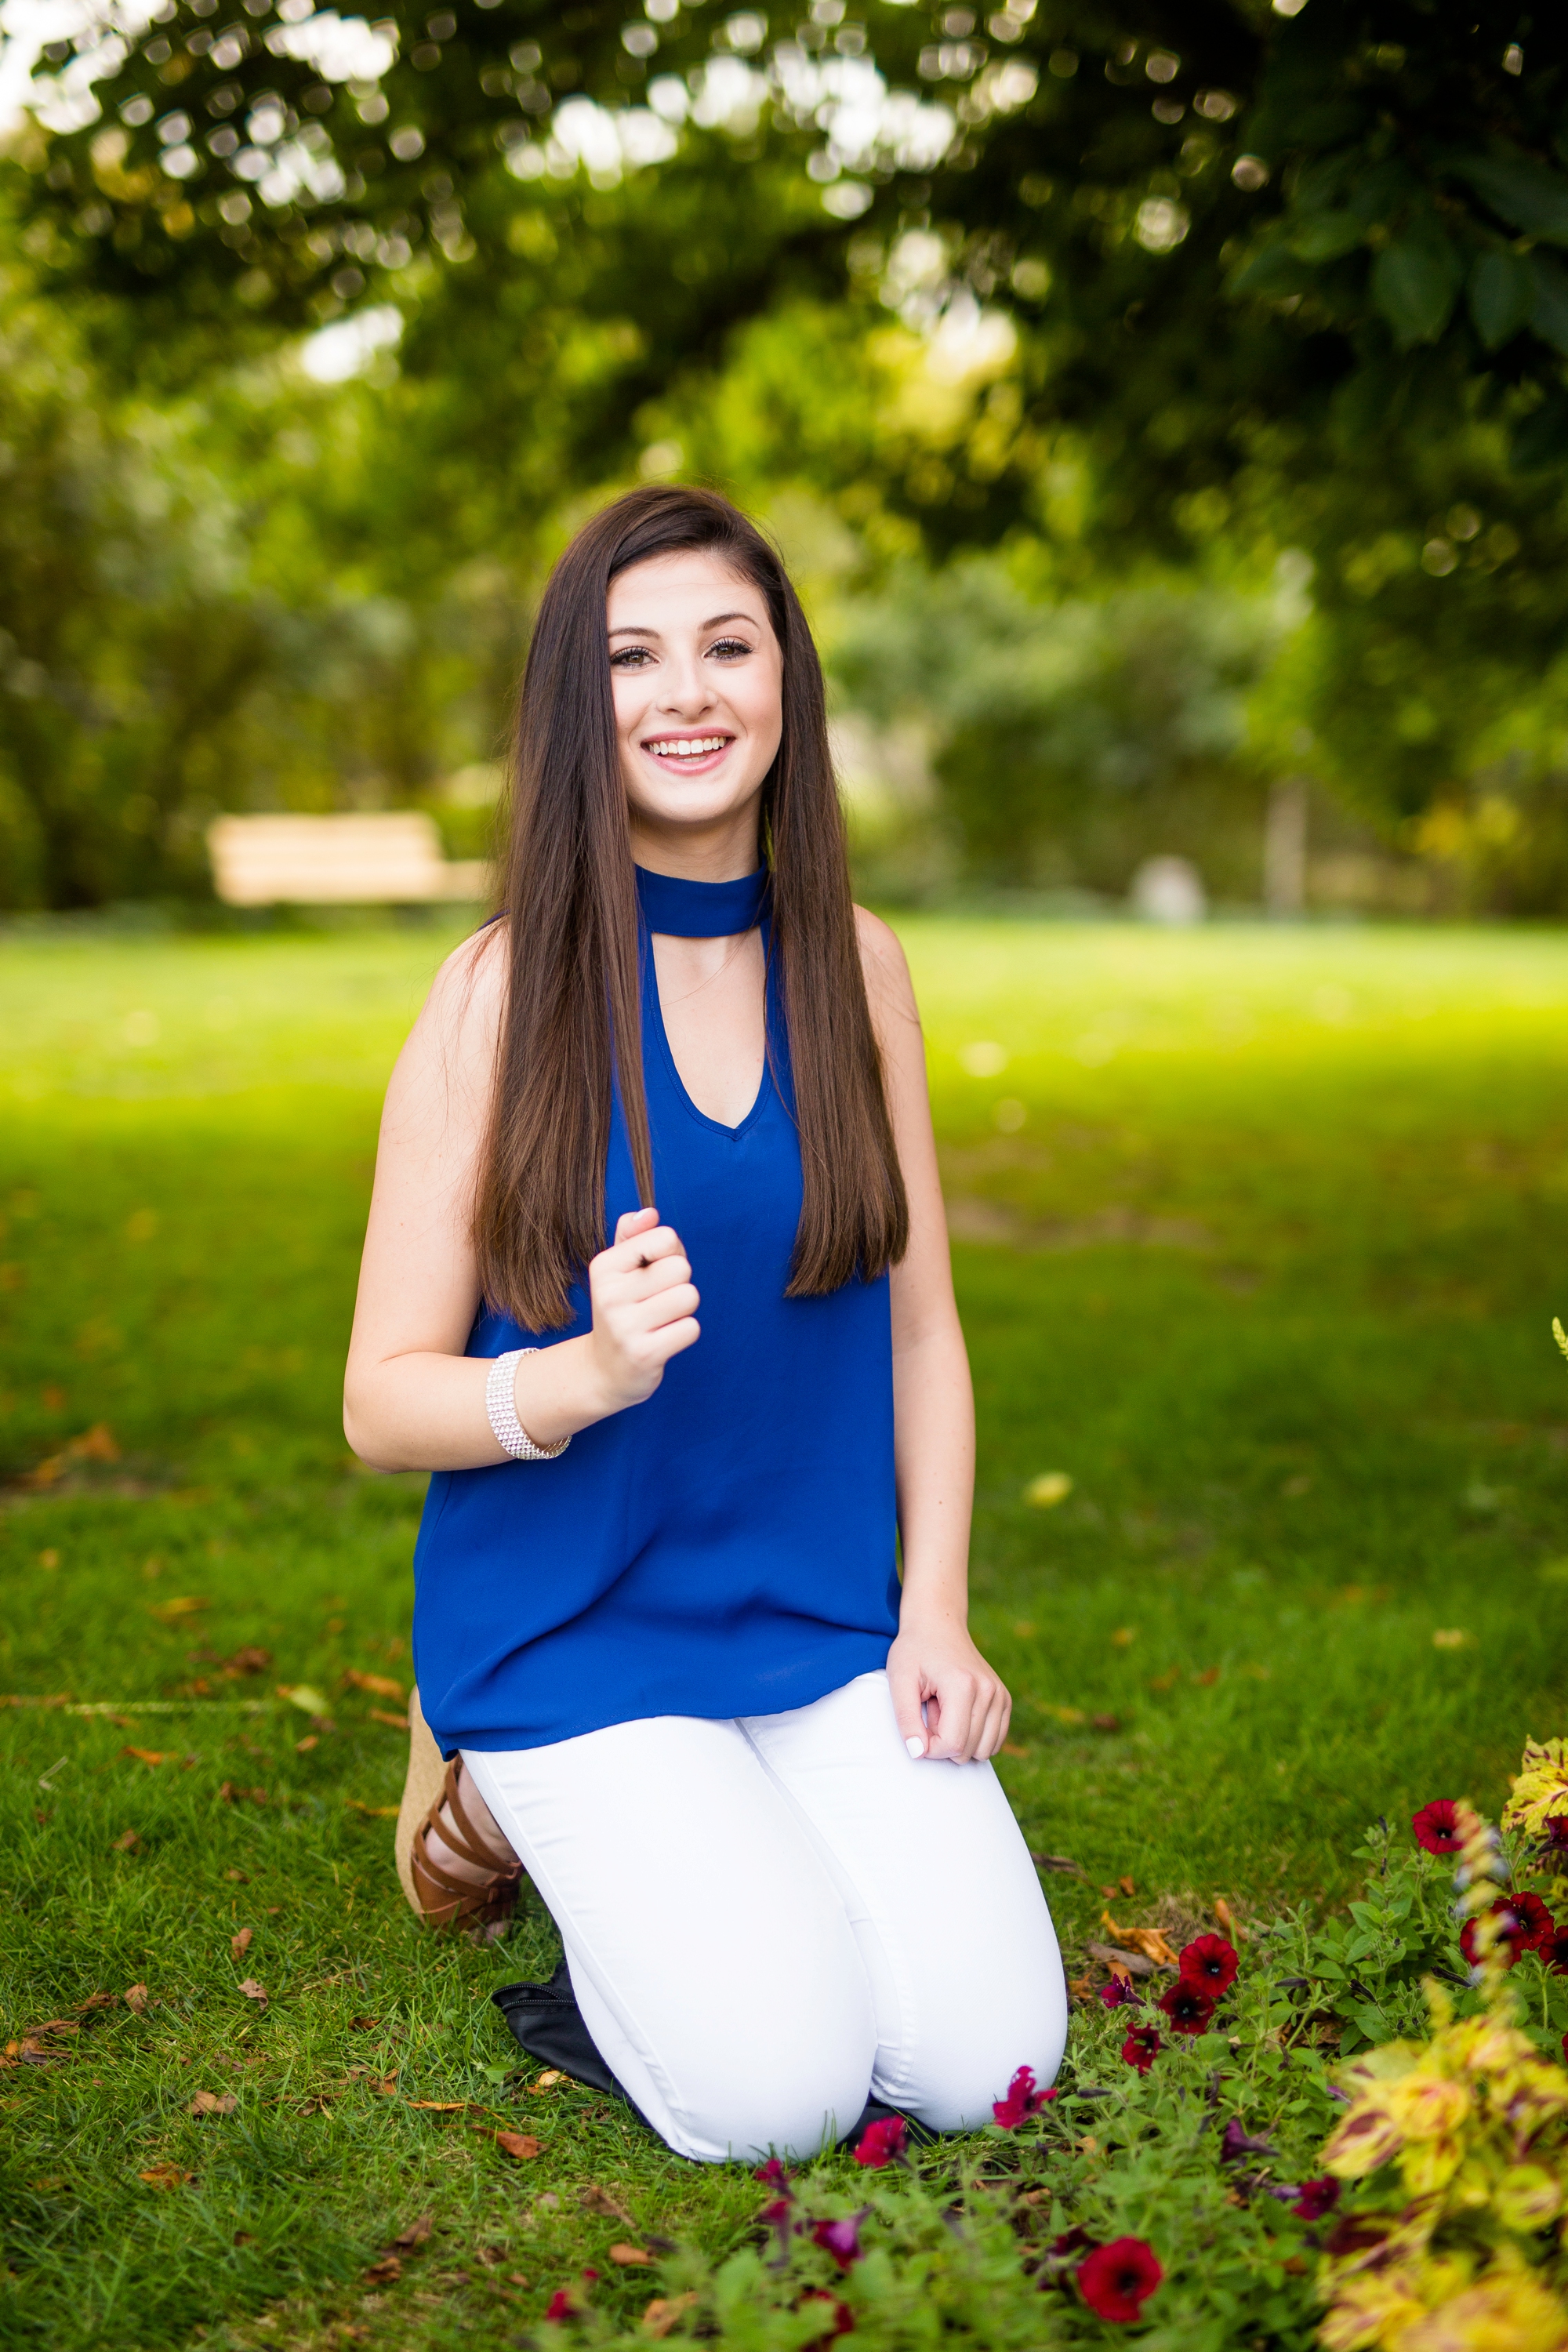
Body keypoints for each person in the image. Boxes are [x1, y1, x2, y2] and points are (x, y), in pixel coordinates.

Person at [343, 484, 1066, 2164]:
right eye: (633, 655)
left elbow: (922, 1337)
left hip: (814, 1625)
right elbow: (381, 1400)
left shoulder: (858, 967)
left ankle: (736, 1861)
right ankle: (477, 1765)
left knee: (989, 2072)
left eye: (727, 646)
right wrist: (578, 1379)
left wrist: (937, 1617)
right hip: (573, 1635)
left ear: (785, 684)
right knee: (777, 2099)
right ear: (574, 707)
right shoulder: (496, 993)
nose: (687, 692)